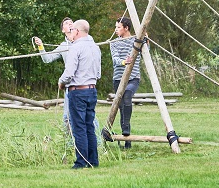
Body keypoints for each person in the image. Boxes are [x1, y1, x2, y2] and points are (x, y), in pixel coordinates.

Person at [33, 17, 100, 138]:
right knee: (67, 117)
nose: (69, 24)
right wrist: (41, 46)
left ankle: (98, 143)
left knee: (90, 117)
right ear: (63, 30)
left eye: (71, 23)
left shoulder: (87, 41)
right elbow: (47, 59)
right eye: (66, 23)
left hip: (84, 85)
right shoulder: (63, 46)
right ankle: (68, 143)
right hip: (70, 87)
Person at [58, 20, 101, 169]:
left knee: (79, 127)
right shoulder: (95, 48)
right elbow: (98, 73)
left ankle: (81, 162)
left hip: (78, 91)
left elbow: (69, 73)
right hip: (92, 90)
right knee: (89, 126)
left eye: (72, 29)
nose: (71, 32)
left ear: (77, 31)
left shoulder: (75, 48)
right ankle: (93, 161)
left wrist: (61, 82)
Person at [110, 16, 142, 149]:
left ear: (126, 28)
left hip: (133, 77)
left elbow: (146, 51)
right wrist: (124, 62)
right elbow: (115, 60)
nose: (116, 30)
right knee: (122, 107)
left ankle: (126, 126)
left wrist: (146, 40)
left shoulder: (136, 40)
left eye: (118, 27)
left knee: (127, 96)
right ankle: (127, 140)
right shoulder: (114, 43)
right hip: (118, 79)